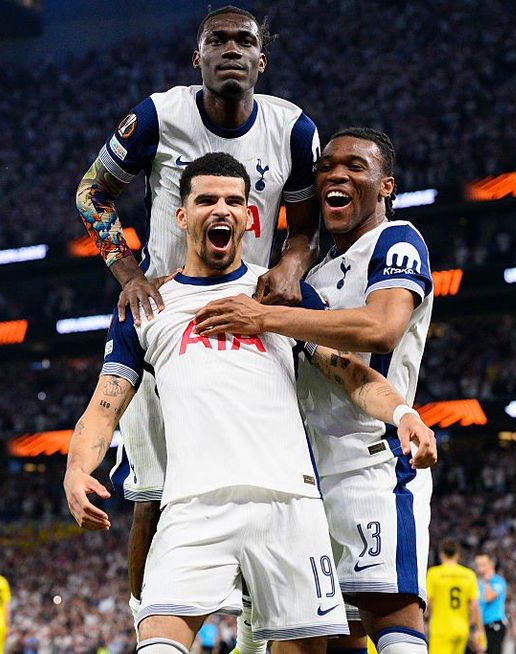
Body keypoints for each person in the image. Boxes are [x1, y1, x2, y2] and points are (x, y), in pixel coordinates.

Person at [63, 153, 436, 654]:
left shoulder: (280, 296)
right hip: (193, 504)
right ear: (181, 215)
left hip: (292, 507)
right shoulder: (147, 305)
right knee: (156, 642)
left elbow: (351, 374)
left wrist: (403, 413)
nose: (221, 209)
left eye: (234, 201)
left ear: (249, 217)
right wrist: (77, 467)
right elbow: (104, 408)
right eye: (206, 200)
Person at [73, 6, 321, 635]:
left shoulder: (293, 129)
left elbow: (308, 216)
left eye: (245, 41)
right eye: (218, 40)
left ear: (262, 60)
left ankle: (261, 631)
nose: (231, 50)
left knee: (272, 486)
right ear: (198, 57)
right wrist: (130, 275)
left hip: (256, 320)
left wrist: (292, 264)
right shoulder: (161, 115)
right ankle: (146, 624)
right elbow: (91, 192)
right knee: (153, 492)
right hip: (167, 316)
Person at [193, 127, 436, 654]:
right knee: (335, 632)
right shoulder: (319, 276)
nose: (336, 174)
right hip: (308, 474)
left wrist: (269, 316)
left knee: (390, 610)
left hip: (371, 460)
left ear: (386, 186)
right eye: (326, 166)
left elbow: (382, 328)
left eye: (355, 166)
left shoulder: (396, 240)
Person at [426, 540, 484, 654]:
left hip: (441, 628)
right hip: (461, 629)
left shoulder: (434, 573)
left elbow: (429, 601)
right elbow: (474, 605)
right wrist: (479, 628)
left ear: (441, 554)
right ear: (458, 554)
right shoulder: (469, 574)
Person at [475, 553, 507, 654]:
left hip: (494, 625)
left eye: (483, 564)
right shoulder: (478, 583)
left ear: (491, 565)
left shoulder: (498, 581)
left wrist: (487, 581)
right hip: (481, 626)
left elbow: (488, 597)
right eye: (478, 565)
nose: (480, 568)